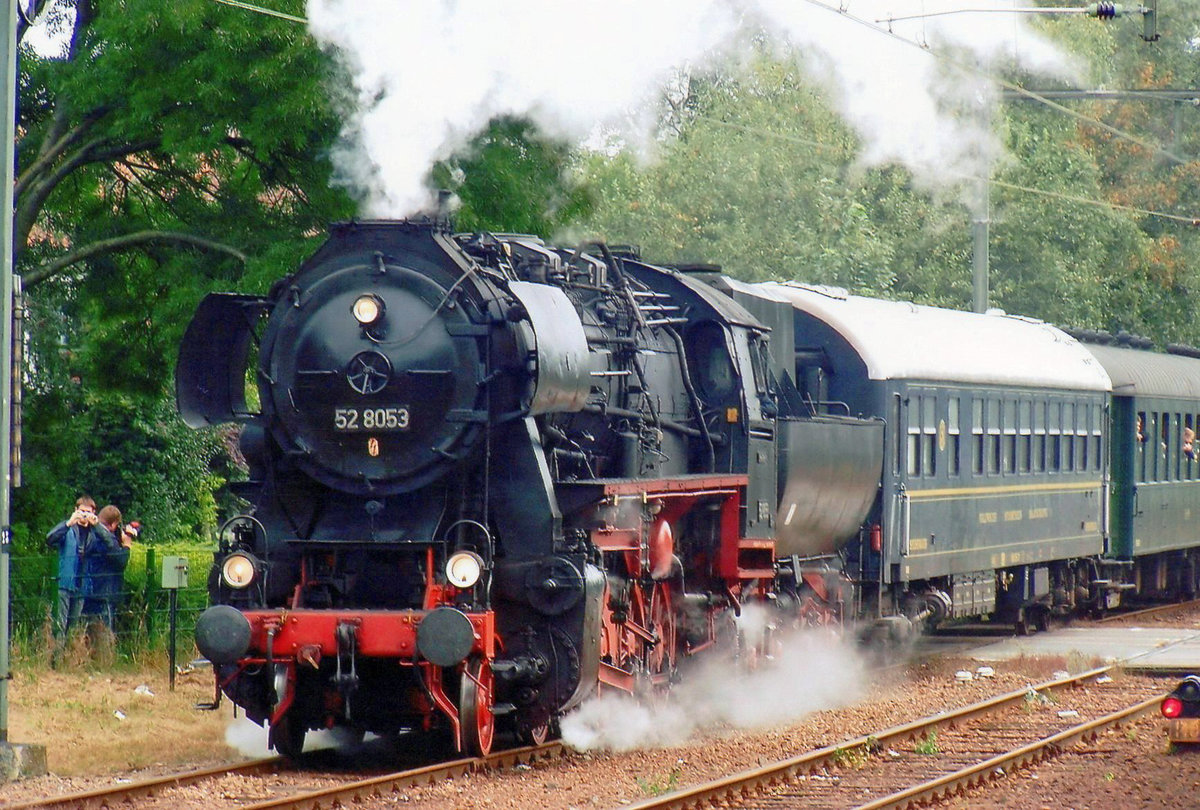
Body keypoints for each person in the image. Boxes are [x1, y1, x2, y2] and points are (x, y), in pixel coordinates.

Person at [45, 496, 114, 661]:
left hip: (82, 586)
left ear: (93, 513)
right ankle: (56, 661)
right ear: (75, 511)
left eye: (88, 512)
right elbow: (50, 539)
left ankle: (70, 659)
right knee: (59, 625)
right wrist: (68, 523)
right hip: (65, 583)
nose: (84, 516)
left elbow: (111, 544)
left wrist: (97, 525)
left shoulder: (94, 533)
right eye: (81, 512)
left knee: (73, 626)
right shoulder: (67, 529)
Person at [84, 505, 134, 633]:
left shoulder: (91, 533)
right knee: (103, 634)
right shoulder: (106, 539)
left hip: (90, 591)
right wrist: (127, 545)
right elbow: (120, 561)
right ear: (113, 524)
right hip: (104, 593)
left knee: (89, 633)